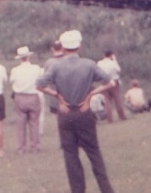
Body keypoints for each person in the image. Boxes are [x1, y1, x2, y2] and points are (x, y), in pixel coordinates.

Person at [36, 30, 116, 193]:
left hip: (65, 114)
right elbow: (110, 82)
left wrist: (57, 96)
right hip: (84, 112)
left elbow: (39, 85)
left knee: (70, 156)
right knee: (94, 153)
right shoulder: (89, 64)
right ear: (79, 46)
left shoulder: (55, 66)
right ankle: (106, 190)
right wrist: (91, 94)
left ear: (63, 48)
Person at [9, 46, 43, 154]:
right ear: (29, 56)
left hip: (20, 96)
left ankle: (21, 148)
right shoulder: (36, 69)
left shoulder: (15, 70)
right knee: (34, 123)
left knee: (20, 123)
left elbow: (11, 81)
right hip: (33, 96)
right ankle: (35, 147)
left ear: (20, 58)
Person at [96, 50, 127, 122]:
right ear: (111, 55)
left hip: (104, 82)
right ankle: (122, 116)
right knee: (117, 99)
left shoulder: (99, 63)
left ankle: (109, 119)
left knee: (107, 101)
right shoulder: (113, 63)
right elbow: (118, 70)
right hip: (114, 81)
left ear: (104, 55)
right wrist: (115, 60)